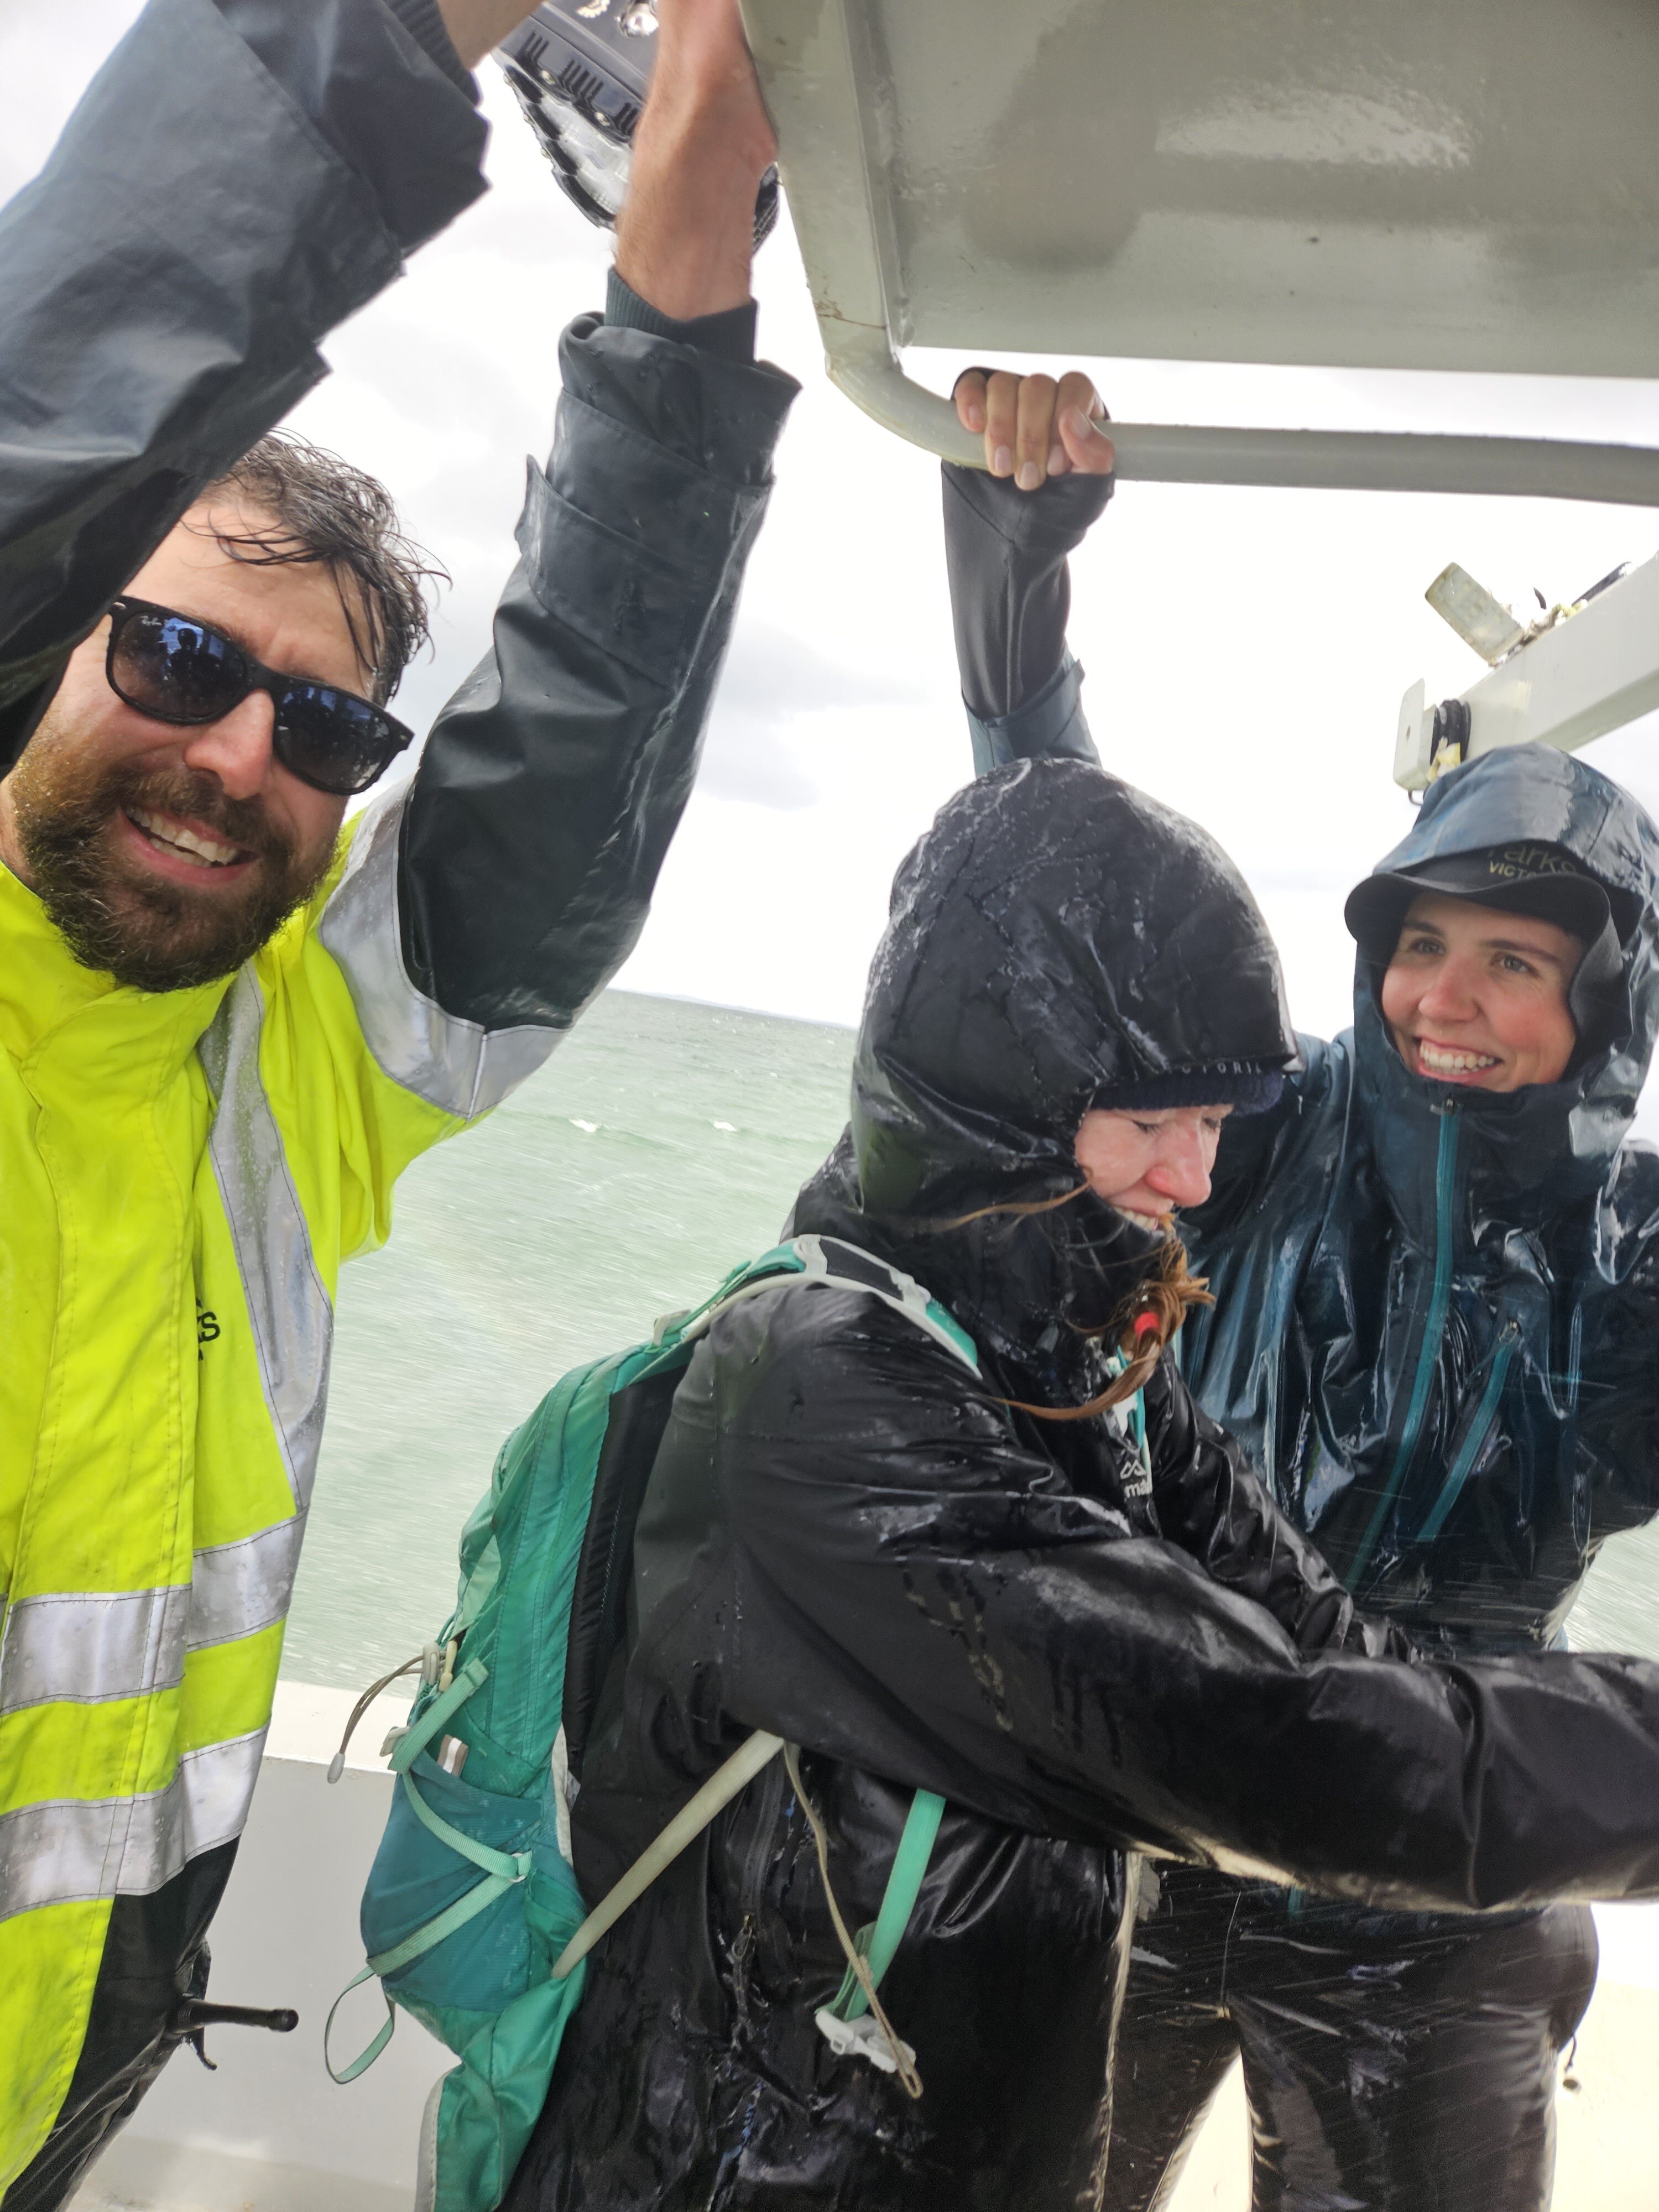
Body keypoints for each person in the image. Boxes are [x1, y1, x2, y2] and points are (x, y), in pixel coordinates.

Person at [0, 0, 792, 2199]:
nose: (247, 756)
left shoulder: (287, 1073)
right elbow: (55, 398)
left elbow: (565, 764)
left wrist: (685, 290)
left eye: (332, 732)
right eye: (174, 661)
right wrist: (382, 34)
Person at [501, 757, 1659, 2212]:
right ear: (1012, 1092)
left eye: (1222, 1126)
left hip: (972, 2126)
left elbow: (1307, 1638)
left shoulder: (1084, 1343)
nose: (1192, 1182)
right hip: (744, 2160)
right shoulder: (822, 1389)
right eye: (1156, 1119)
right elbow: (1270, 1734)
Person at [943, 366, 1659, 2209]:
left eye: (1515, 964)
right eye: (1422, 945)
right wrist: (1020, 622)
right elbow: (1073, 909)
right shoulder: (1267, 1129)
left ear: (1602, 1010)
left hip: (1445, 1854)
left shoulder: (1635, 1246)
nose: (1446, 999)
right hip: (1158, 1779)